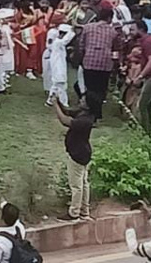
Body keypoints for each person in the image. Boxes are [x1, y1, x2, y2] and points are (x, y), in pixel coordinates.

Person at [53, 94, 96, 222]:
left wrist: (54, 105)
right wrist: (59, 102)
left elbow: (65, 120)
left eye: (83, 99)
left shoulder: (85, 120)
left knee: (76, 185)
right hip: (84, 153)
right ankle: (84, 211)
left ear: (88, 105)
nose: (81, 100)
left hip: (77, 154)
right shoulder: (84, 113)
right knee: (84, 183)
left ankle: (74, 213)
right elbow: (68, 111)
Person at [77, 6, 120, 119]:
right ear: (109, 18)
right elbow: (115, 50)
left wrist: (82, 59)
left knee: (90, 88)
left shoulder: (87, 28)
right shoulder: (113, 32)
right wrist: (115, 64)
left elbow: (81, 46)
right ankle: (97, 113)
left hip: (89, 61)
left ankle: (90, 111)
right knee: (101, 89)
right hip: (105, 64)